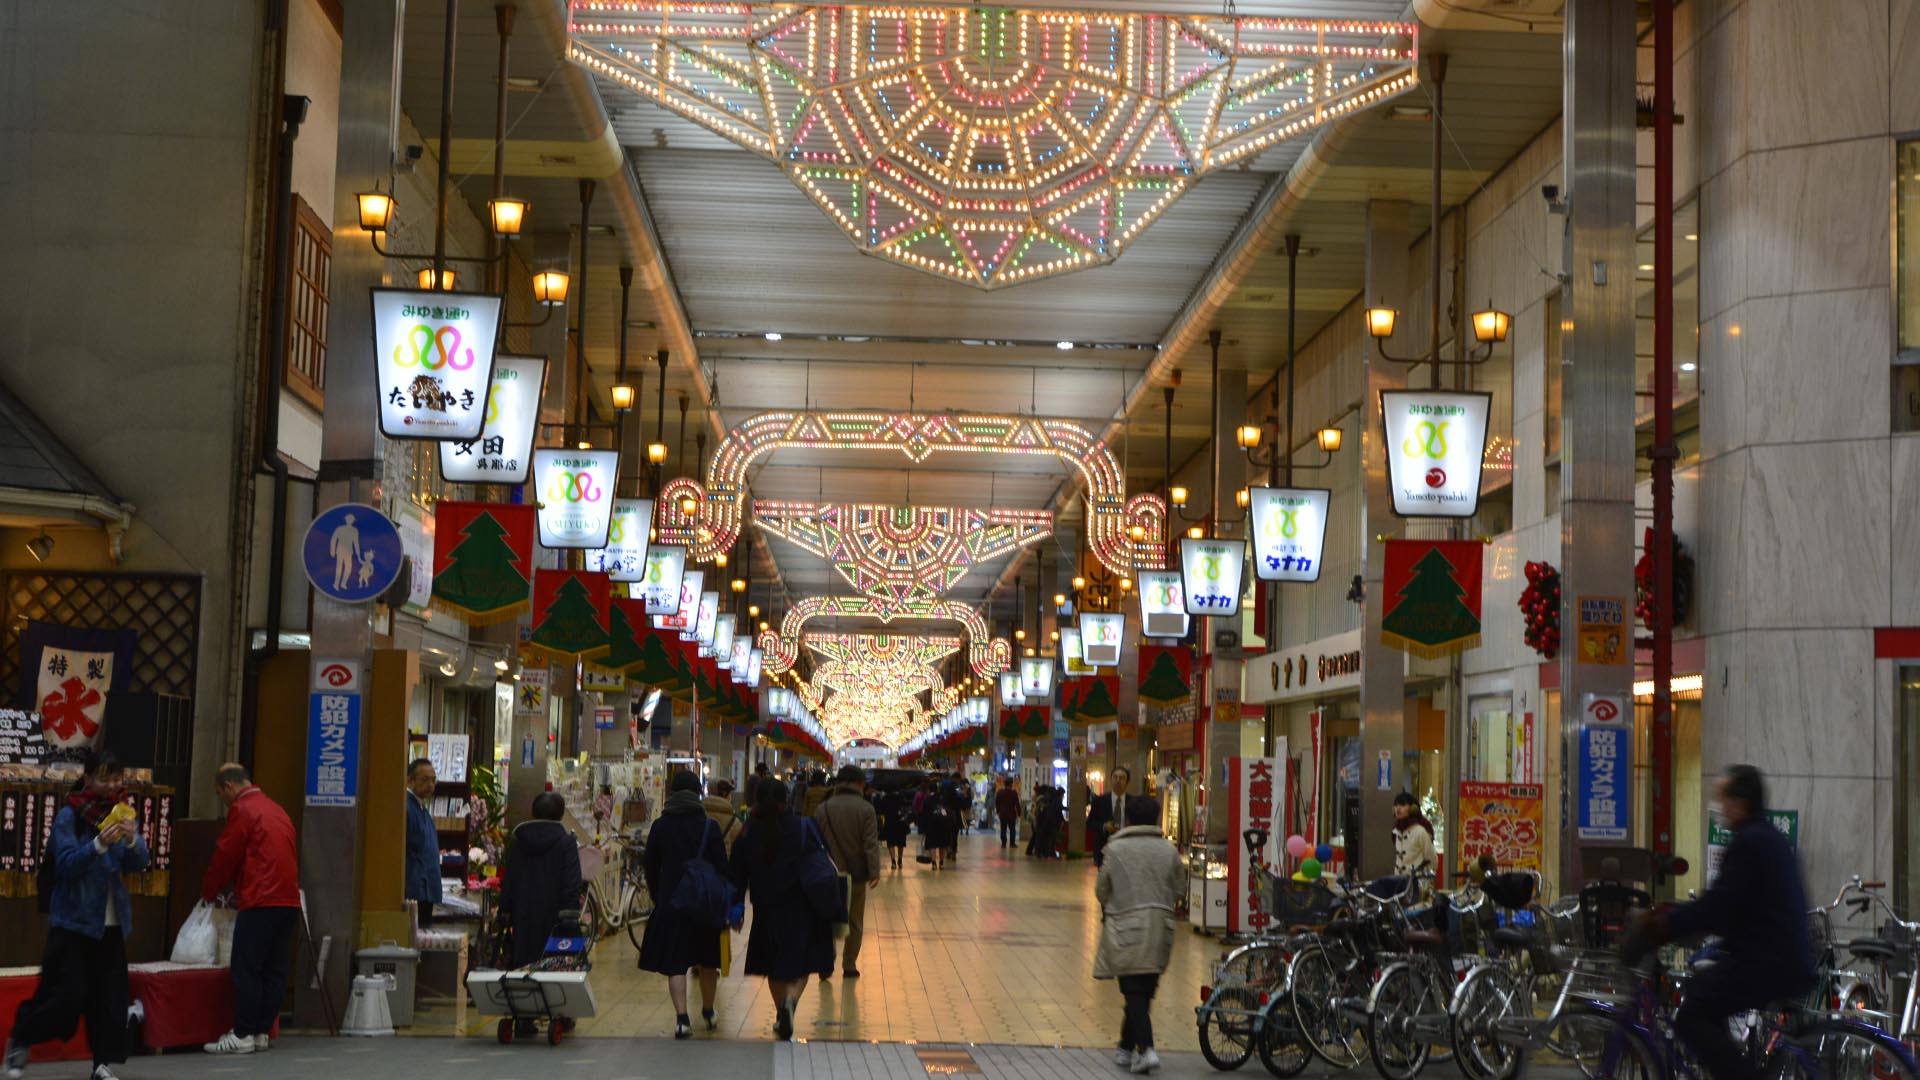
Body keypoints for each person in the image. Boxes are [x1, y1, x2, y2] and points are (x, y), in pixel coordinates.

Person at [1627, 765, 1811, 1080]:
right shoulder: (1766, 837)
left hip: (1769, 962)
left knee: (1691, 1016)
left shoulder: (1749, 843)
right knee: (1703, 989)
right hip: (1780, 956)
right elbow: (1733, 909)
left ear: (1740, 803)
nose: (1720, 809)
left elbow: (1717, 908)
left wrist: (1662, 926)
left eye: (1723, 800)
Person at [4, 751, 150, 1080]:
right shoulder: (68, 816)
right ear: (87, 779)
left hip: (110, 926)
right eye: (104, 778)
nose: (112, 785)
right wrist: (98, 844)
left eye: (117, 779)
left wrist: (131, 841)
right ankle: (21, 1037)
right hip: (72, 922)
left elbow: (140, 863)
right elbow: (67, 864)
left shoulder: (122, 811)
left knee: (109, 1001)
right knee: (65, 999)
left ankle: (101, 1064)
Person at [199, 763, 300, 1055]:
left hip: (260, 898)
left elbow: (225, 854)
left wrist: (208, 892)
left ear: (228, 786)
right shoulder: (276, 809)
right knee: (274, 971)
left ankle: (242, 1032)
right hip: (288, 900)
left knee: (247, 969)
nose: (224, 800)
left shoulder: (243, 809)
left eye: (221, 794)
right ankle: (260, 1032)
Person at [728, 778, 835, 1041]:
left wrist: (736, 907)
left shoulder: (747, 833)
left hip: (766, 909)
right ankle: (791, 1002)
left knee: (772, 965)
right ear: (786, 800)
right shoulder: (802, 827)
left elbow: (737, 874)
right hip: (802, 907)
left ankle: (781, 1012)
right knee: (802, 964)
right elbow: (825, 858)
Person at [1095, 796, 1182, 1075]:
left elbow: (1101, 889)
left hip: (1126, 925)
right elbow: (1180, 888)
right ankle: (1124, 1047)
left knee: (1133, 989)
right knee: (1143, 990)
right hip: (1161, 925)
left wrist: (1115, 904)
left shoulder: (1115, 848)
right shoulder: (1169, 851)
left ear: (1128, 820)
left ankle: (1146, 1050)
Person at [639, 770, 729, 1038]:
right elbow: (722, 868)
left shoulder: (660, 826)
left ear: (673, 793)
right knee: (707, 961)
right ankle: (709, 1011)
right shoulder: (709, 826)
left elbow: (651, 866)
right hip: (704, 904)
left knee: (676, 962)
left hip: (672, 902)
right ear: (697, 794)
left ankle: (681, 1018)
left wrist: (659, 894)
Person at [500, 792, 583, 975]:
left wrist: (505, 911)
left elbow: (510, 879)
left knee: (523, 970)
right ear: (560, 814)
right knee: (554, 971)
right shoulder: (566, 843)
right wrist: (570, 915)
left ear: (534, 812)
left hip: (523, 917)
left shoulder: (519, 842)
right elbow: (571, 882)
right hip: (554, 920)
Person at [813, 765, 883, 978]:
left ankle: (826, 963)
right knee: (854, 921)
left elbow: (815, 843)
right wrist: (874, 871)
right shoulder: (866, 809)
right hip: (856, 875)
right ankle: (849, 964)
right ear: (857, 784)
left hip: (826, 874)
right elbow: (870, 844)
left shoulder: (822, 808)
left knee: (826, 918)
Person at [404, 758, 442, 926]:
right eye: (424, 780)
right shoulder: (406, 807)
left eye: (433, 780)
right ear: (410, 781)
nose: (430, 785)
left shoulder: (421, 807)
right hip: (415, 889)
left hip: (426, 888)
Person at [1089, 765, 1135, 867]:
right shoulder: (1099, 801)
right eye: (1115, 777)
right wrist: (1104, 826)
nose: (1118, 781)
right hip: (1104, 850)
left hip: (1127, 850)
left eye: (1122, 778)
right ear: (1111, 780)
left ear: (1127, 782)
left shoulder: (1133, 802)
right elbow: (1090, 824)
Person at [1390, 791, 1436, 882]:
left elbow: (1432, 860)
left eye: (1403, 805)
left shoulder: (1420, 831)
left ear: (1412, 808)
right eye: (1396, 805)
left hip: (1416, 882)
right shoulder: (1396, 831)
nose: (1398, 808)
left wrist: (1424, 880)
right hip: (1398, 881)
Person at [919, 779, 956, 870]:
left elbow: (924, 814)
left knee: (932, 844)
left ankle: (934, 863)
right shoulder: (942, 799)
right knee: (942, 844)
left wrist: (923, 828)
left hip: (931, 825)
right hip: (943, 825)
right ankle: (941, 863)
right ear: (937, 789)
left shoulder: (927, 800)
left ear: (929, 790)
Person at [703, 778, 746, 855]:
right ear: (725, 794)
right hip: (725, 864)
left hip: (702, 865)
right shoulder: (734, 822)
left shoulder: (699, 816)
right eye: (730, 793)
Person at [878, 784, 912, 870]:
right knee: (900, 842)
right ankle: (900, 860)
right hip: (900, 823)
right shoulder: (900, 798)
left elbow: (881, 811)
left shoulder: (884, 799)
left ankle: (893, 861)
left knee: (891, 842)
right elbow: (906, 807)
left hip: (889, 823)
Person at [1032, 784, 1064, 860]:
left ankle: (1039, 852)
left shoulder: (1043, 798)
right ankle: (1047, 853)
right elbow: (1058, 810)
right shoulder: (1055, 799)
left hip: (1041, 820)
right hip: (1050, 820)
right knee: (1049, 837)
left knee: (1041, 836)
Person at [994, 777, 1022, 850]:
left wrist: (998, 810)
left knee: (1003, 829)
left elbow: (997, 803)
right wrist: (1019, 813)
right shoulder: (1014, 793)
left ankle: (1003, 843)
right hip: (1011, 814)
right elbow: (1017, 804)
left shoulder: (1000, 792)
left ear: (1004, 784)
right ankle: (1012, 844)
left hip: (1002, 814)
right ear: (1011, 784)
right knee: (1012, 829)